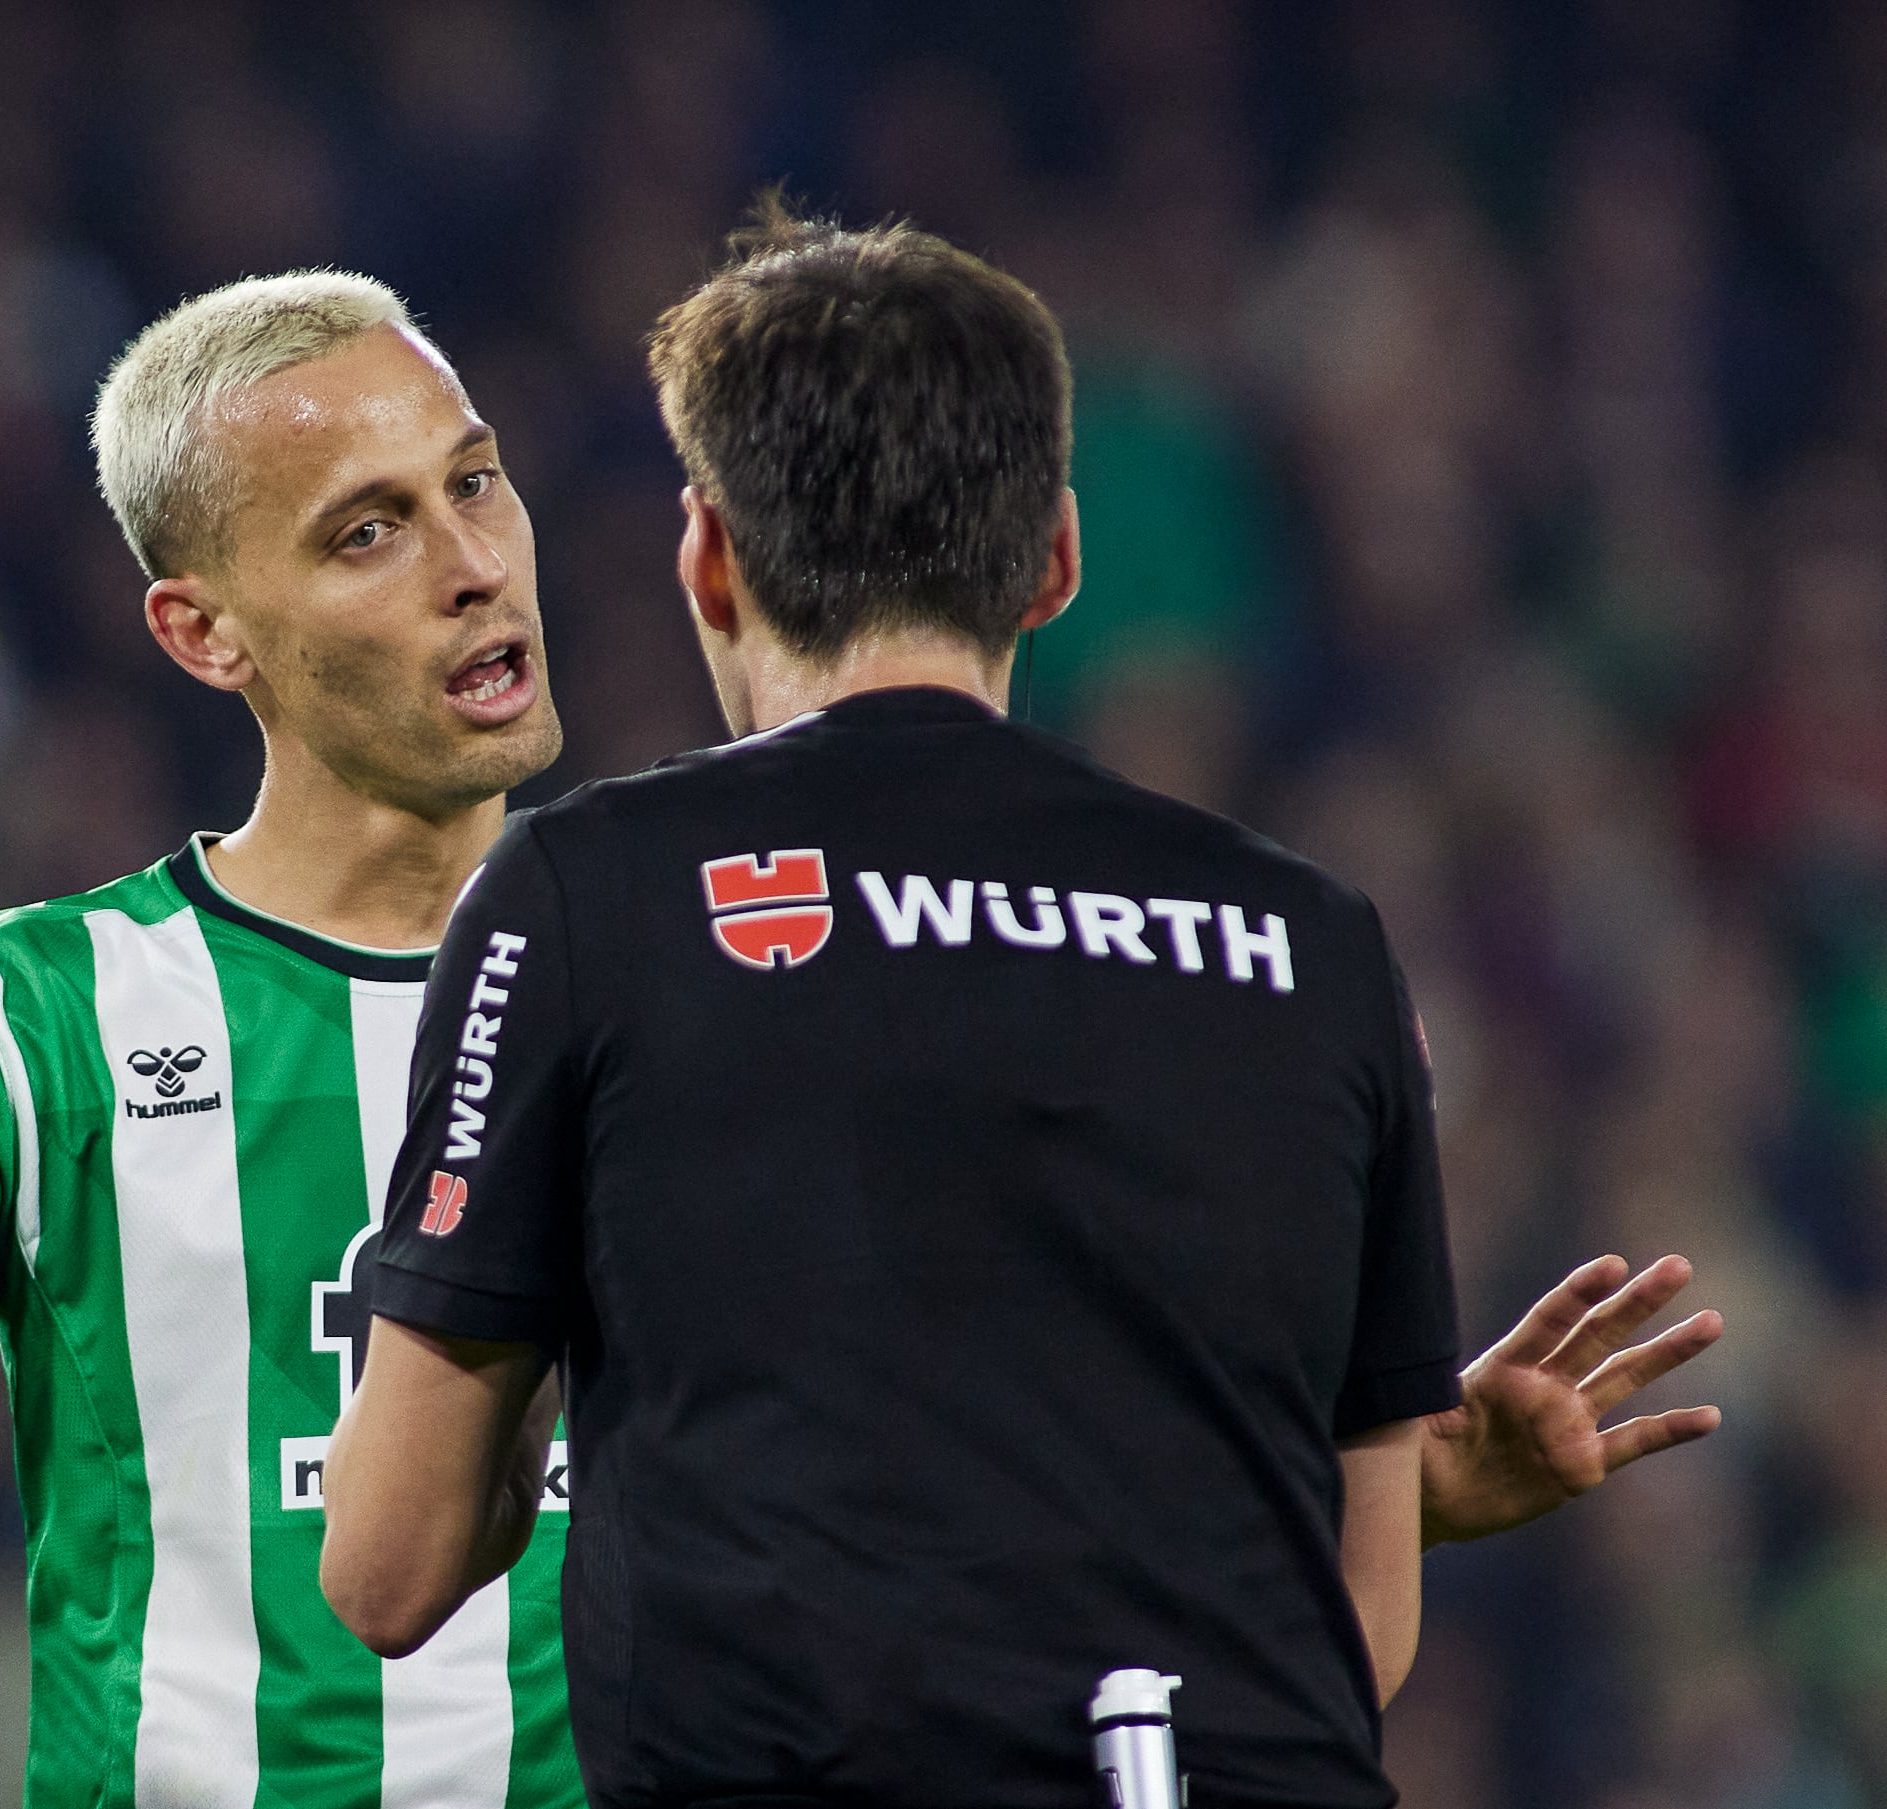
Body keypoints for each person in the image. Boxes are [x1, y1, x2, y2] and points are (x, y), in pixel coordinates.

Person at [0, 267, 1720, 1809]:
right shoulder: (23, 1020)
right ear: (199, 628)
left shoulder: (724, 956)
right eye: (368, 530)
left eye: (476, 484)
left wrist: (1395, 1492)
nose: (471, 568)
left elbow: (959, 1475)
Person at [317, 208, 1724, 1809]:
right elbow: (1353, 1632)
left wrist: (524, 1339)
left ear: (707, 555)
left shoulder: (588, 893)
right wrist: (1399, 1486)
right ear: (1054, 556)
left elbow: (387, 1565)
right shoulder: (1314, 940)